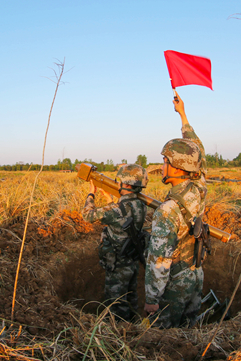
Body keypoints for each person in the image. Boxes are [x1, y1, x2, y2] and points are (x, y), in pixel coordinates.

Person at [144, 91, 207, 328]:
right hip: (196, 274)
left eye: (166, 161)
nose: (162, 166)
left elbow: (159, 261)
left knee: (164, 340)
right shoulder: (200, 188)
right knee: (191, 329)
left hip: (175, 284)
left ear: (177, 166)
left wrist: (151, 300)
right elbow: (198, 151)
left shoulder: (167, 211)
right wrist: (183, 115)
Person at [82, 164, 149, 321]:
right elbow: (123, 212)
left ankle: (121, 334)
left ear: (124, 183)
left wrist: (91, 194)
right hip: (132, 262)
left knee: (116, 305)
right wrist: (109, 199)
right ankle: (134, 328)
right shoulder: (141, 204)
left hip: (118, 264)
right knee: (131, 298)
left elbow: (87, 215)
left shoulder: (117, 209)